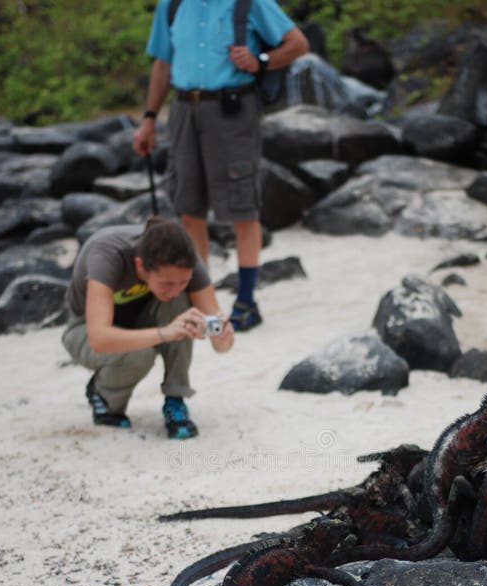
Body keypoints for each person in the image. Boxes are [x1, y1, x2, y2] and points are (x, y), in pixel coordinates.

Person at [132, 0, 309, 332]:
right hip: (184, 109)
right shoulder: (171, 6)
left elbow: (298, 43)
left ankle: (246, 301)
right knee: (189, 209)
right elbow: (162, 63)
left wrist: (262, 60)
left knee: (243, 208)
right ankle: (202, 298)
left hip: (233, 110)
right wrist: (149, 119)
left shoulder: (249, 2)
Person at [62, 216, 234, 439]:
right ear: (140, 265)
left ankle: (175, 399)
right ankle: (102, 393)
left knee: (184, 311)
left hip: (141, 319)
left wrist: (223, 338)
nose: (175, 289)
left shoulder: (186, 260)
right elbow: (99, 338)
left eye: (183, 282)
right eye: (167, 283)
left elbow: (219, 338)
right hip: (84, 329)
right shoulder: (106, 255)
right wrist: (164, 333)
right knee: (139, 355)